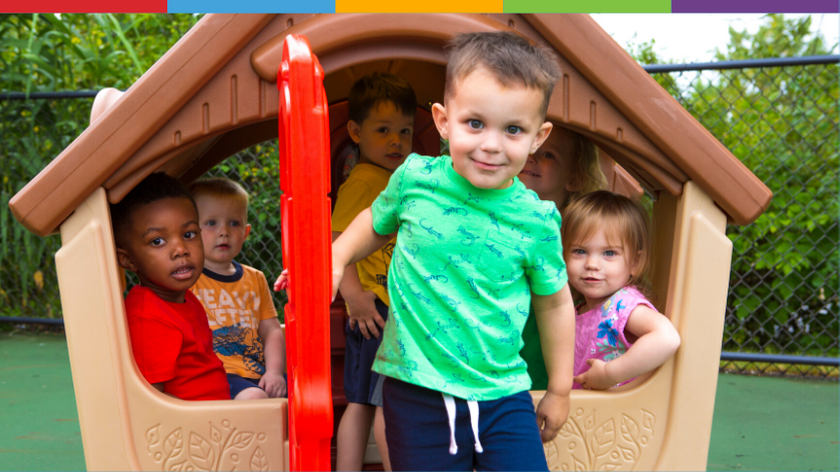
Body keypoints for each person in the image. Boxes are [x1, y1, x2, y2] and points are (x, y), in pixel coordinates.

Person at [279, 31, 576, 471]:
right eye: (475, 124)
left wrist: (560, 389)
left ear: (538, 136)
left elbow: (554, 304)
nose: (491, 144)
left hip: (503, 394)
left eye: (513, 129)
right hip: (417, 390)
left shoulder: (537, 220)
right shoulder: (415, 180)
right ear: (443, 121)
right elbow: (374, 224)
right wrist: (336, 258)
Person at [331, 72, 416, 471]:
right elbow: (337, 242)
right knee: (386, 403)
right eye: (383, 130)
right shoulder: (366, 181)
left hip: (381, 309)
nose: (396, 141)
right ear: (356, 132)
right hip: (375, 310)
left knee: (364, 402)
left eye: (405, 131)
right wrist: (354, 298)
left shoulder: (393, 181)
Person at [111, 172, 229, 401]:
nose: (180, 250)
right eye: (157, 241)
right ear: (128, 260)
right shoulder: (149, 317)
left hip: (217, 413)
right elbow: (153, 401)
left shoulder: (184, 299)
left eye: (189, 234)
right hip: (198, 422)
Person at [561, 191, 681, 390]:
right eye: (580, 251)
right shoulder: (579, 307)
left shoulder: (622, 306)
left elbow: (667, 338)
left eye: (609, 253)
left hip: (617, 408)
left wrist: (609, 374)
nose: (592, 264)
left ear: (635, 262)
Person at [518, 127, 607, 389]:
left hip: (546, 342)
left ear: (575, 179)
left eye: (548, 154)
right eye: (529, 148)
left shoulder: (576, 233)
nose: (532, 157)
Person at [188, 178, 288, 401]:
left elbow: (271, 331)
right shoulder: (187, 279)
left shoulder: (255, 278)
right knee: (254, 398)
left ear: (246, 232)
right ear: (192, 231)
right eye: (211, 223)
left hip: (257, 373)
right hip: (216, 375)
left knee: (307, 392)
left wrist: (274, 372)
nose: (224, 231)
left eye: (234, 223)